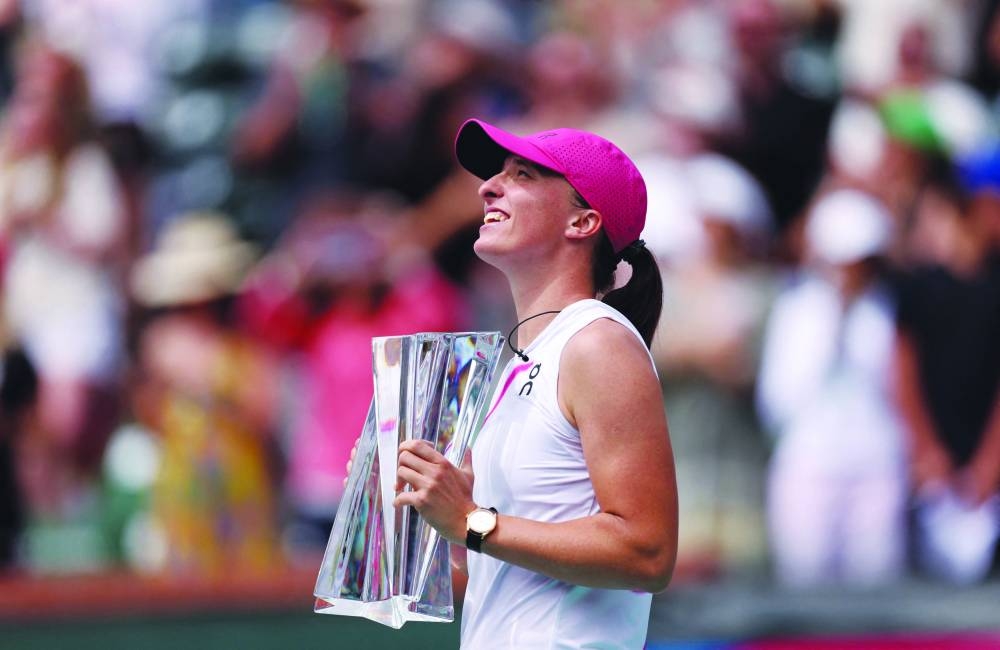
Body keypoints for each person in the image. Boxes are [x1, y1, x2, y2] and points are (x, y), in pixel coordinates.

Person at [393, 119, 678, 649]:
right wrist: (421, 505)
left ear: (583, 221)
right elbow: (506, 572)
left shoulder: (598, 344)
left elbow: (648, 553)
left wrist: (472, 521)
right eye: (496, 175)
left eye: (521, 174)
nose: (487, 187)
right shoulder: (526, 359)